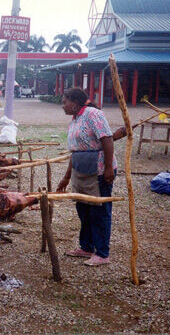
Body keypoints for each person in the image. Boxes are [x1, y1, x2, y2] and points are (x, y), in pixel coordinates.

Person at [56, 88, 118, 266]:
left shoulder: (93, 114)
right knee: (84, 211)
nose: (63, 106)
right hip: (81, 171)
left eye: (64, 102)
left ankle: (103, 253)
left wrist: (108, 168)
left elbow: (107, 139)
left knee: (100, 212)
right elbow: (75, 151)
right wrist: (67, 177)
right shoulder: (75, 120)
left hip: (98, 170)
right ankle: (87, 247)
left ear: (75, 103)